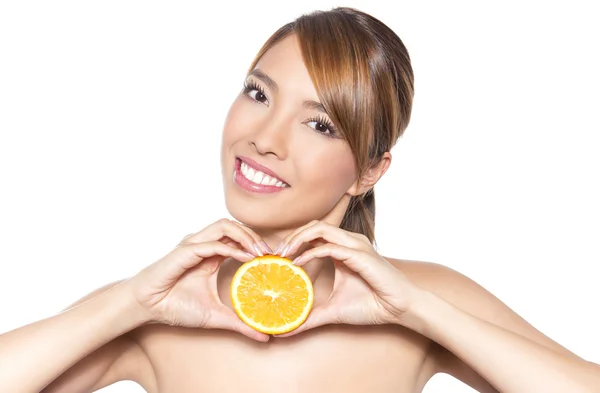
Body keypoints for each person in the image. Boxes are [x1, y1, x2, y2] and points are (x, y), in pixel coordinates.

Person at [1, 6, 599, 393]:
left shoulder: (426, 301)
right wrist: (126, 303)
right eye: (258, 93)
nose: (263, 137)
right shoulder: (158, 309)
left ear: (369, 171)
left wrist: (420, 312)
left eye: (320, 125)